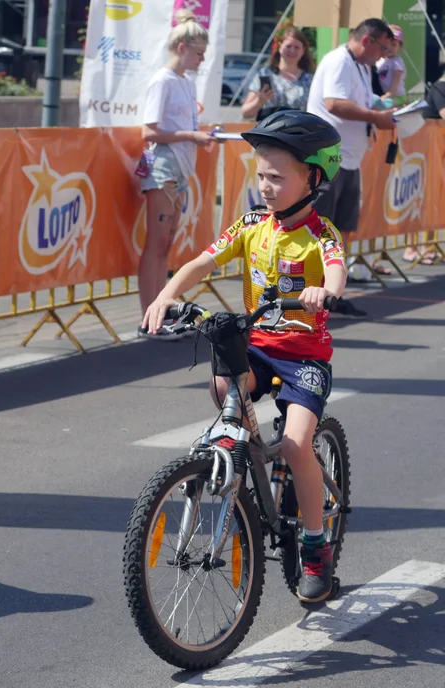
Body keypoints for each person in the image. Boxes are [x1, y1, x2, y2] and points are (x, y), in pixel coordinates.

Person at [143, 110, 347, 603]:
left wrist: (325, 291)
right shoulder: (253, 223)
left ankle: (315, 547)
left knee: (298, 445)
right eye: (260, 175)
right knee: (220, 387)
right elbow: (202, 262)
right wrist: (166, 294)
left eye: (277, 177)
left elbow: (338, 272)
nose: (265, 185)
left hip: (304, 360)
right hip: (258, 349)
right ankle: (252, 458)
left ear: (313, 178)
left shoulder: (322, 234)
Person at [136, 8, 219, 340]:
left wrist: (197, 136)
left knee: (166, 244)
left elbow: (181, 126)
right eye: (199, 53)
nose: (201, 59)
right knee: (156, 244)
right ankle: (148, 319)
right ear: (182, 47)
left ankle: (160, 312)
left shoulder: (184, 81)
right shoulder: (163, 80)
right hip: (163, 167)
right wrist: (191, 136)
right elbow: (149, 131)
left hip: (180, 167)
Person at [306, 17, 395, 307]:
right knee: (321, 229)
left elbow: (361, 99)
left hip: (348, 159)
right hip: (329, 159)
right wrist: (374, 117)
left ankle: (333, 294)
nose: (383, 55)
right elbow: (335, 103)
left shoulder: (360, 65)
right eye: (382, 47)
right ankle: (311, 292)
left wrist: (382, 107)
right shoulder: (339, 62)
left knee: (340, 229)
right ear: (367, 40)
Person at [241, 27, 315, 122]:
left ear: (303, 51)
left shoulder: (310, 80)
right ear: (280, 47)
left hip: (297, 131)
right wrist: (260, 101)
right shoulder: (265, 74)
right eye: (288, 46)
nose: (292, 51)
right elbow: (245, 113)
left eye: (296, 47)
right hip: (269, 131)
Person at [375, 25, 406, 105]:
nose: (390, 47)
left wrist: (389, 95)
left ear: (399, 47)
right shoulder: (379, 61)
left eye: (394, 45)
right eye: (387, 44)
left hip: (397, 96)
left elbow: (396, 80)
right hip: (386, 94)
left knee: (381, 106)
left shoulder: (397, 61)